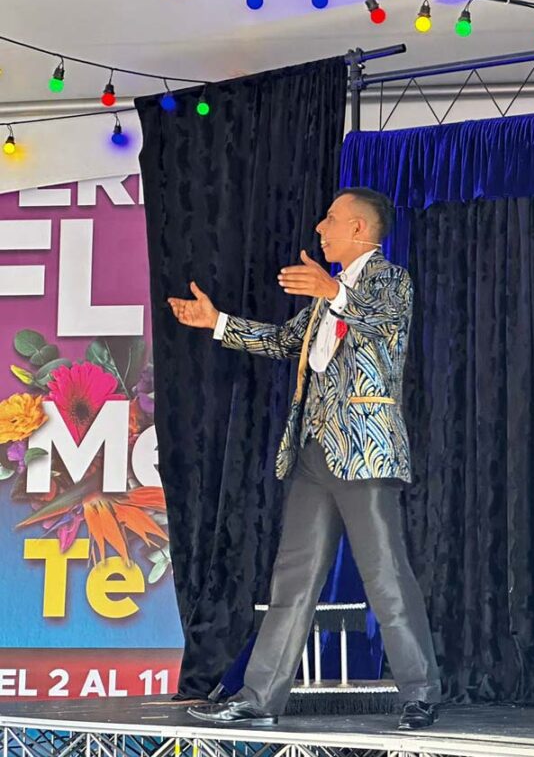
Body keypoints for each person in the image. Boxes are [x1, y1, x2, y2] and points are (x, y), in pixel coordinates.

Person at [168, 187, 442, 731]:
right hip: (314, 451)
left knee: (385, 574)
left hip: (364, 452)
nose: (320, 227)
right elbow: (285, 341)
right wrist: (217, 321)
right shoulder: (326, 295)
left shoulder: (390, 281)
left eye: (331, 219)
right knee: (292, 580)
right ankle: (260, 698)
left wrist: (333, 291)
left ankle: (420, 693)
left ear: (359, 229)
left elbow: (381, 323)